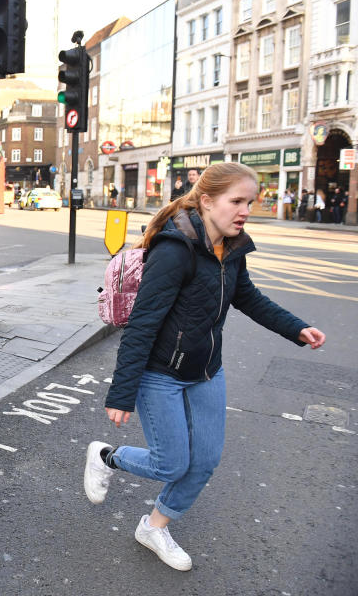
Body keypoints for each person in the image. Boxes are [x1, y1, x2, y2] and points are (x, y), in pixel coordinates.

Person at [82, 162, 326, 571]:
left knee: (205, 461)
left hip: (206, 370)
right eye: (237, 201)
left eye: (250, 202)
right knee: (171, 463)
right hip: (160, 373)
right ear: (208, 201)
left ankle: (154, 527)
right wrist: (121, 392)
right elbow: (142, 325)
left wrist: (297, 329)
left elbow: (247, 297)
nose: (245, 210)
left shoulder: (231, 248)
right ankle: (106, 456)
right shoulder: (175, 250)